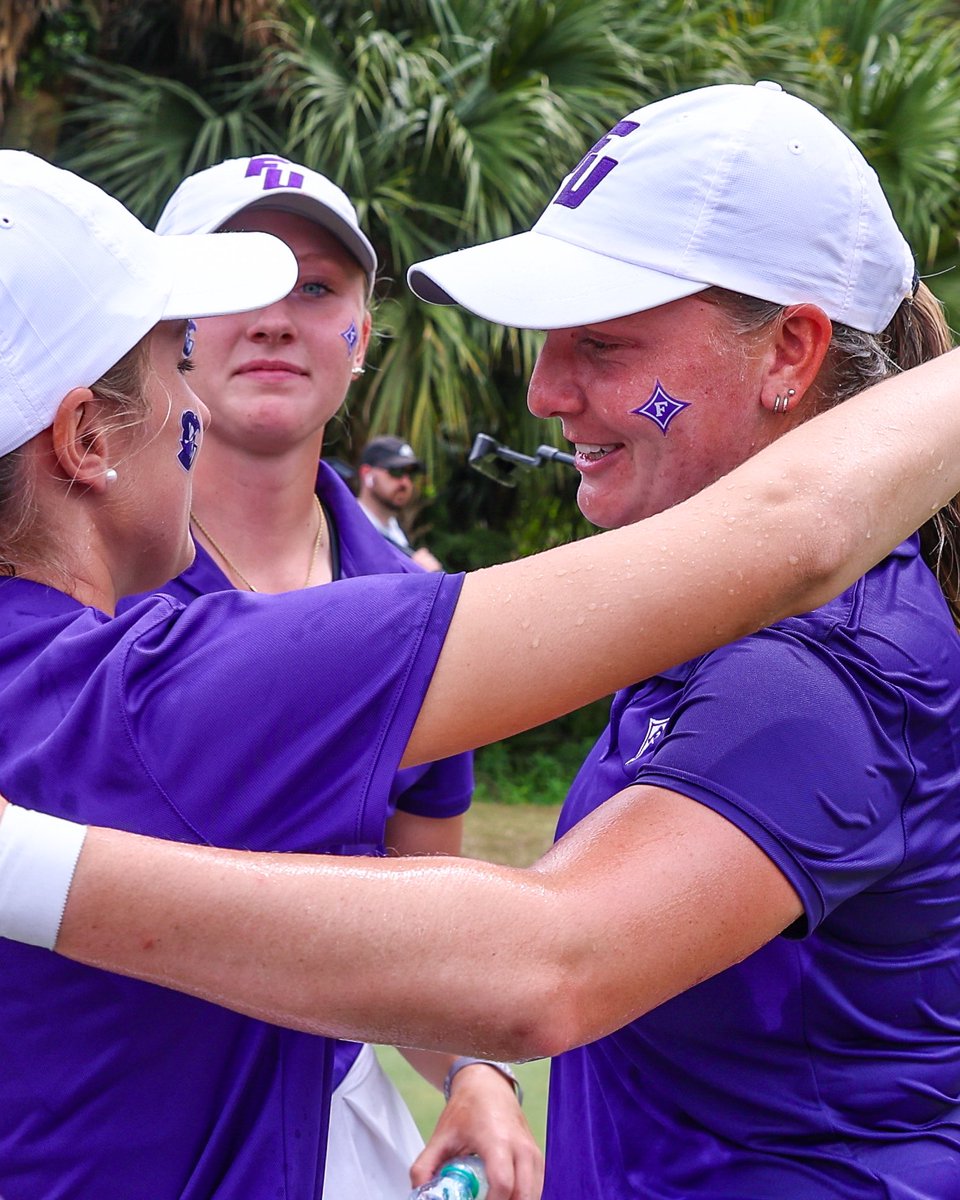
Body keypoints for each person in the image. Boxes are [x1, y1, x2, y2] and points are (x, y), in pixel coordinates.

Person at [6, 82, 960, 1200]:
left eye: (601, 344)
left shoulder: (813, 672)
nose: (546, 392)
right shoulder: (142, 678)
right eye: (177, 352)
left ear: (791, 353)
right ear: (79, 436)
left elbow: (549, 962)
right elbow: (787, 532)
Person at [146, 155, 534, 1197]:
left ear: (364, 336)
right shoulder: (64, 576)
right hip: (92, 1118)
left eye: (317, 287)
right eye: (237, 279)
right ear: (157, 321)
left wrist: (477, 1071)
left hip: (323, 1129)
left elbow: (417, 936)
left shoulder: (415, 613)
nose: (275, 318)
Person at [357, 434, 443, 570]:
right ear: (367, 473)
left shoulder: (396, 531)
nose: (405, 482)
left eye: (410, 474)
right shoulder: (349, 525)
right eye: (396, 472)